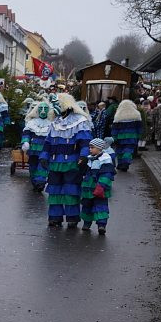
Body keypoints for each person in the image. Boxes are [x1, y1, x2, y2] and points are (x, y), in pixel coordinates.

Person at [42, 93, 93, 229]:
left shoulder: (79, 121)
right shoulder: (55, 122)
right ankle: (55, 217)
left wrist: (83, 155)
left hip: (72, 161)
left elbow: (84, 141)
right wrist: (44, 155)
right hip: (55, 162)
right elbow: (48, 142)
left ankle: (72, 218)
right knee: (54, 190)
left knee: (71, 190)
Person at [79, 138, 115, 235]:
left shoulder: (105, 159)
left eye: (92, 147)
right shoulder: (90, 158)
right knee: (87, 205)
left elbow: (107, 174)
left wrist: (101, 186)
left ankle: (101, 225)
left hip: (99, 187)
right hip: (88, 187)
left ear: (99, 148)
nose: (90, 149)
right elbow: (85, 172)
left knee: (101, 206)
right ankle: (86, 223)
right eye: (89, 147)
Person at [20, 99, 54, 191]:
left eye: (45, 108)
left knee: (43, 165)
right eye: (41, 108)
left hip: (45, 149)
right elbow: (26, 133)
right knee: (33, 166)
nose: (43, 110)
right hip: (33, 149)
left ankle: (40, 183)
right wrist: (25, 141)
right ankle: (35, 183)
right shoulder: (32, 122)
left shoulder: (52, 123)